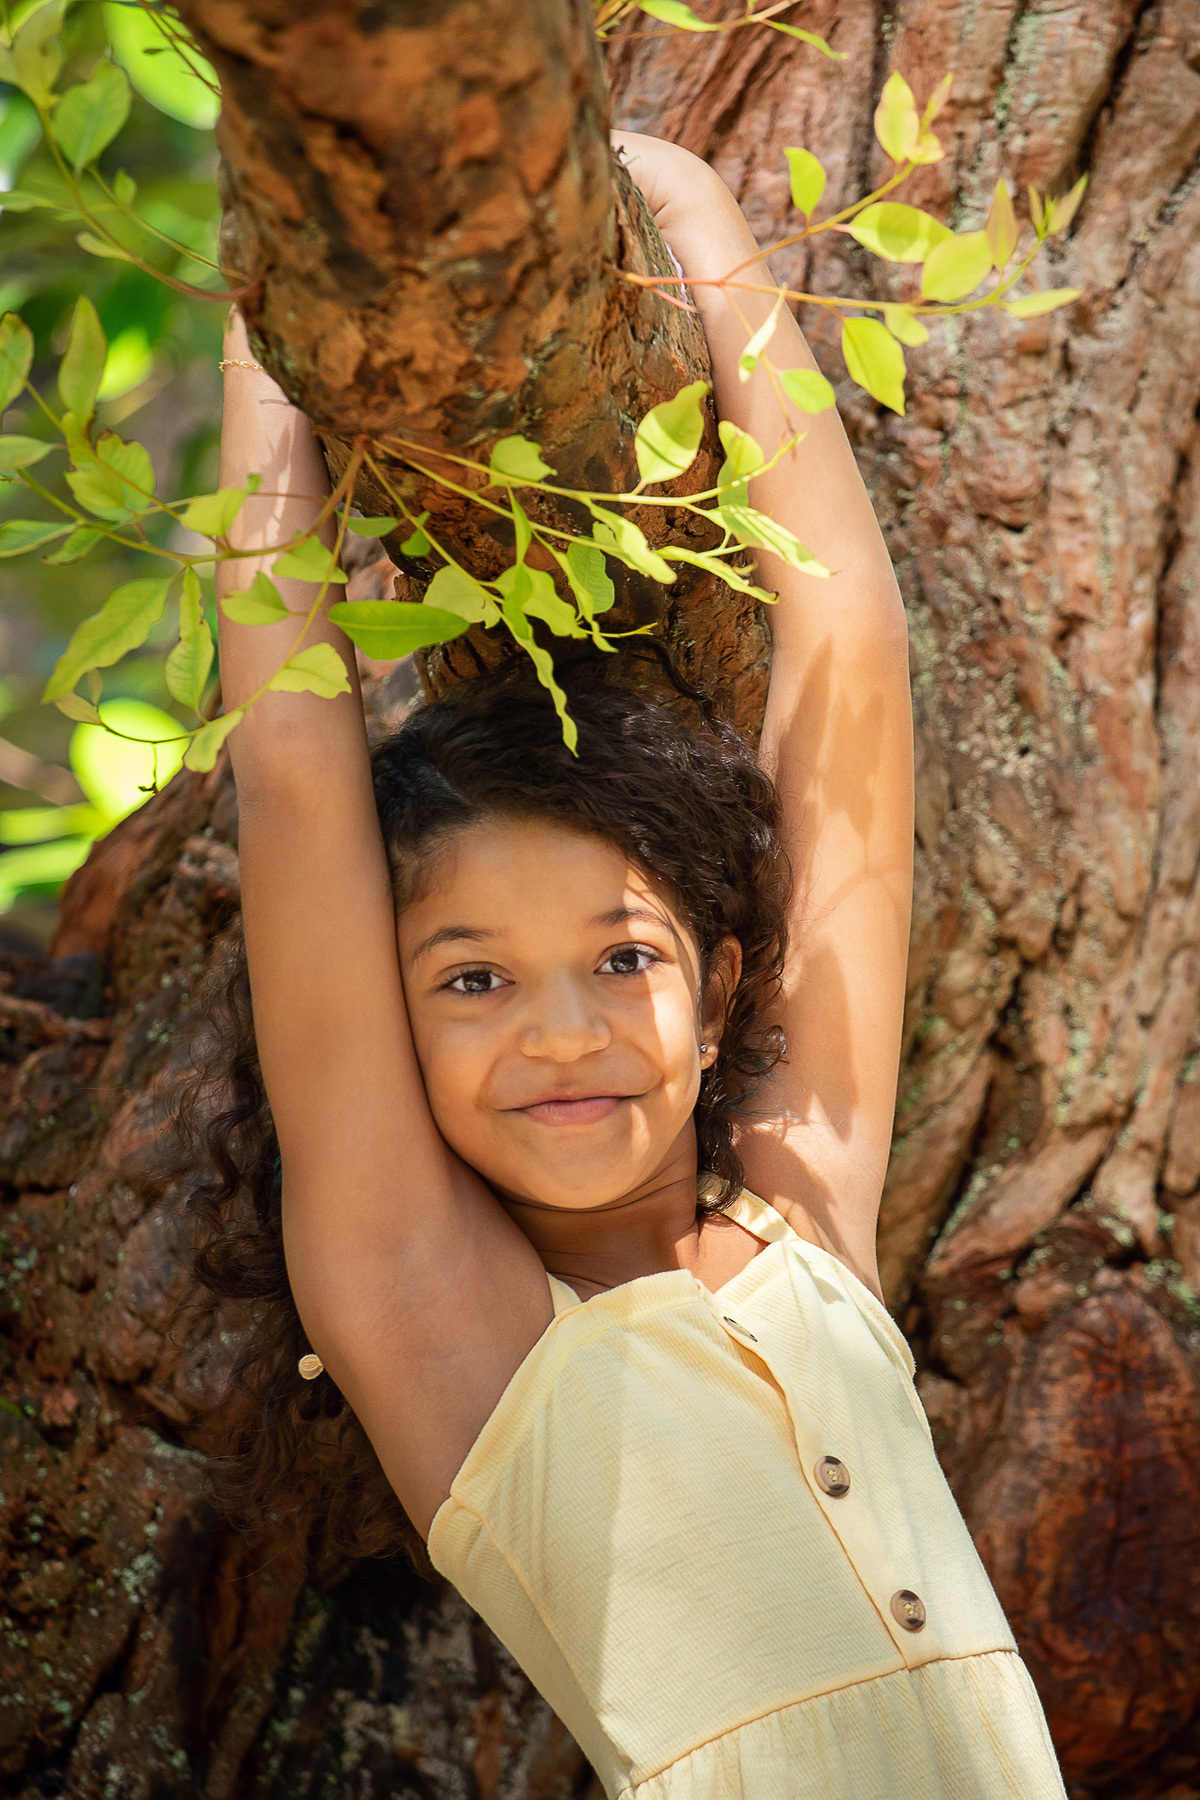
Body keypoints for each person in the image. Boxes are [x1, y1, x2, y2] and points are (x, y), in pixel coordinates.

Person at [200, 131, 1066, 1798]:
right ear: (386, 1022)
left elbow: (847, 656)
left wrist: (704, 228)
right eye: (470, 981)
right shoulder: (437, 1320)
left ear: (724, 984)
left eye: (621, 958)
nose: (564, 1035)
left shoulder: (803, 1215)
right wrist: (269, 321)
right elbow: (296, 772)